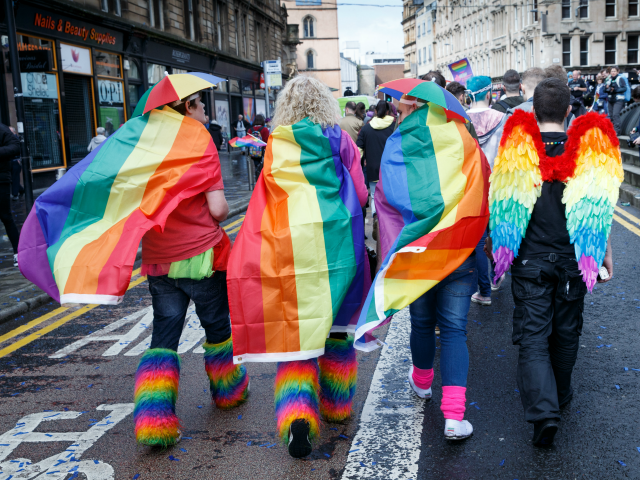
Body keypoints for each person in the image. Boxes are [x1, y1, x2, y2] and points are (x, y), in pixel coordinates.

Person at [227, 76, 369, 459]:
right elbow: (360, 193)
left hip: (291, 253)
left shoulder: (277, 143)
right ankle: (337, 406)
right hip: (338, 249)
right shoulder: (340, 140)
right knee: (338, 328)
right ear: (324, 103)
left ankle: (297, 418)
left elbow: (266, 199)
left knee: (297, 335)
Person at [487, 78, 621, 447]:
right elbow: (597, 209)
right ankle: (559, 397)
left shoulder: (518, 149)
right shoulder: (588, 153)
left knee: (532, 337)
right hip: (572, 260)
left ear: (533, 111)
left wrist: (497, 248)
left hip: (530, 260)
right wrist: (604, 252)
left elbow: (502, 206)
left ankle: (544, 412)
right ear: (567, 110)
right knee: (566, 331)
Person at [357, 88, 489, 441]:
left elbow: (386, 199)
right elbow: (482, 186)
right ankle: (454, 416)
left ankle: (423, 381)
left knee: (422, 321)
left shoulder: (399, 143)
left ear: (411, 107)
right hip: (458, 249)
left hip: (417, 250)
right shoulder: (463, 138)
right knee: (454, 329)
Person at [134, 91, 249, 447]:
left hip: (159, 257)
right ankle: (227, 392)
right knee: (216, 327)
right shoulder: (200, 141)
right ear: (188, 107)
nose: (204, 111)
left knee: (163, 337)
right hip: (200, 256)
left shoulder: (145, 144)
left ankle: (154, 421)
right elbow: (217, 211)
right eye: (200, 104)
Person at [465, 76, 508, 305]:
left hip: (472, 184)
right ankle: (498, 276)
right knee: (497, 232)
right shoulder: (502, 118)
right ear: (489, 93)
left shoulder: (461, 119)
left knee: (480, 238)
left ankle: (484, 290)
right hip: (498, 183)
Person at [356, 100, 396, 243]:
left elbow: (358, 149)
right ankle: (389, 224)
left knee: (374, 196)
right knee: (390, 196)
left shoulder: (367, 128)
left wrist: (358, 165)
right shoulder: (395, 126)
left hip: (372, 169)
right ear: (388, 111)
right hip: (391, 169)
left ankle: (375, 218)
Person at [0, 123, 21, 267]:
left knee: (5, 216)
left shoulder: (2, 129)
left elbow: (15, 147)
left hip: (0, 179)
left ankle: (18, 252)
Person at [606, 66, 628, 135]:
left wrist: (615, 90)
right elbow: (604, 89)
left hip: (618, 100)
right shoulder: (609, 79)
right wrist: (607, 89)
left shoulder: (620, 78)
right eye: (612, 71)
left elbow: (624, 88)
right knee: (611, 116)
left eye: (614, 71)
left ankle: (617, 131)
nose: (613, 72)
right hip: (610, 99)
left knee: (616, 115)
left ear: (618, 72)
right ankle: (612, 130)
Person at [8, 127, 23, 200]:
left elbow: (18, 149)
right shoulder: (11, 139)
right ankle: (21, 189)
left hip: (15, 160)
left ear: (13, 131)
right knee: (12, 177)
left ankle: (15, 194)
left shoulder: (16, 139)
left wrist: (19, 158)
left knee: (15, 177)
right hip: (11, 160)